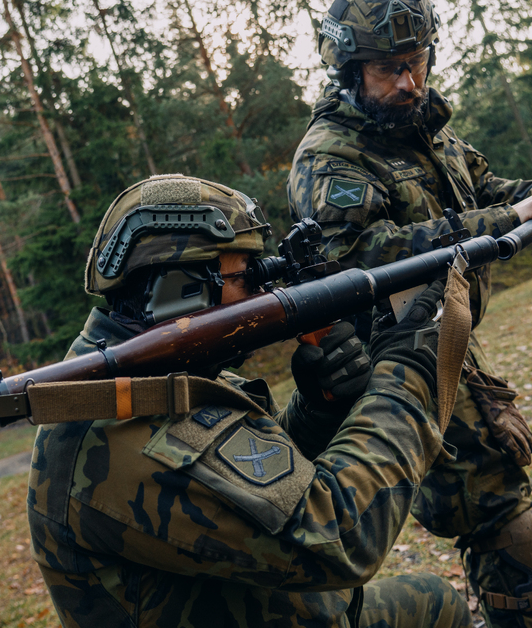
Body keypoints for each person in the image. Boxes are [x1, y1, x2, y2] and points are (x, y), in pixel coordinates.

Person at [287, 0, 532, 628]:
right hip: (385, 363)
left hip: (444, 338)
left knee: (495, 494)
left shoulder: (427, 129)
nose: (409, 82)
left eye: (417, 61)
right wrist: (503, 216)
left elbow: (494, 194)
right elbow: (362, 255)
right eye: (390, 69)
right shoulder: (330, 157)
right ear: (348, 69)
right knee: (493, 501)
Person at [27, 173, 472, 627]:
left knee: (436, 601)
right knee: (437, 605)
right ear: (179, 291)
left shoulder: (153, 372)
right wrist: (407, 369)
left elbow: (256, 487)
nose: (260, 294)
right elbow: (340, 535)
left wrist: (319, 407)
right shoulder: (126, 423)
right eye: (246, 276)